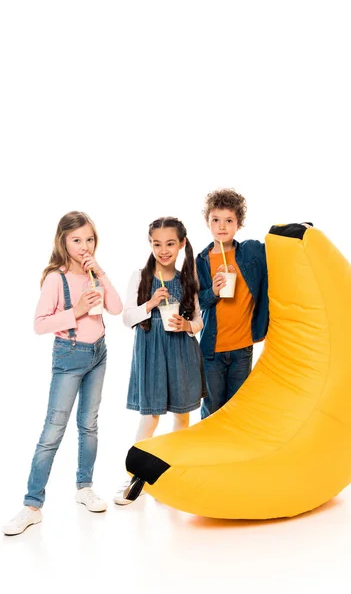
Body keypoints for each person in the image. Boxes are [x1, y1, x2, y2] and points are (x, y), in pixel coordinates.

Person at [2, 211, 123, 536]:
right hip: (69, 356)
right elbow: (39, 324)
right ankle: (31, 506)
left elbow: (116, 308)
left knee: (89, 424)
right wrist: (77, 311)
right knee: (52, 432)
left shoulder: (94, 274)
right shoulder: (56, 278)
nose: (85, 246)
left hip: (98, 352)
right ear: (63, 242)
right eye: (77, 240)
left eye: (89, 239)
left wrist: (101, 272)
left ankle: (84, 487)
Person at [113, 216, 206, 505]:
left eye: (170, 244)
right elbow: (127, 317)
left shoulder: (187, 279)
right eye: (157, 244)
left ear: (181, 244)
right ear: (150, 244)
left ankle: (176, 473)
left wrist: (186, 325)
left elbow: (199, 320)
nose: (163, 250)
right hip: (151, 353)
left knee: (182, 416)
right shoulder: (140, 276)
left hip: (181, 351)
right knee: (150, 417)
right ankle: (137, 479)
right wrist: (150, 304)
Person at [196, 188, 269, 419]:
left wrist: (299, 230)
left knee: (238, 409)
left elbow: (276, 247)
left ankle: (232, 455)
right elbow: (199, 302)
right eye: (215, 220)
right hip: (211, 350)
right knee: (212, 409)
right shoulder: (202, 260)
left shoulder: (249, 253)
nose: (222, 226)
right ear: (207, 222)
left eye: (229, 220)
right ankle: (209, 453)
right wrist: (214, 291)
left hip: (242, 347)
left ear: (238, 223)